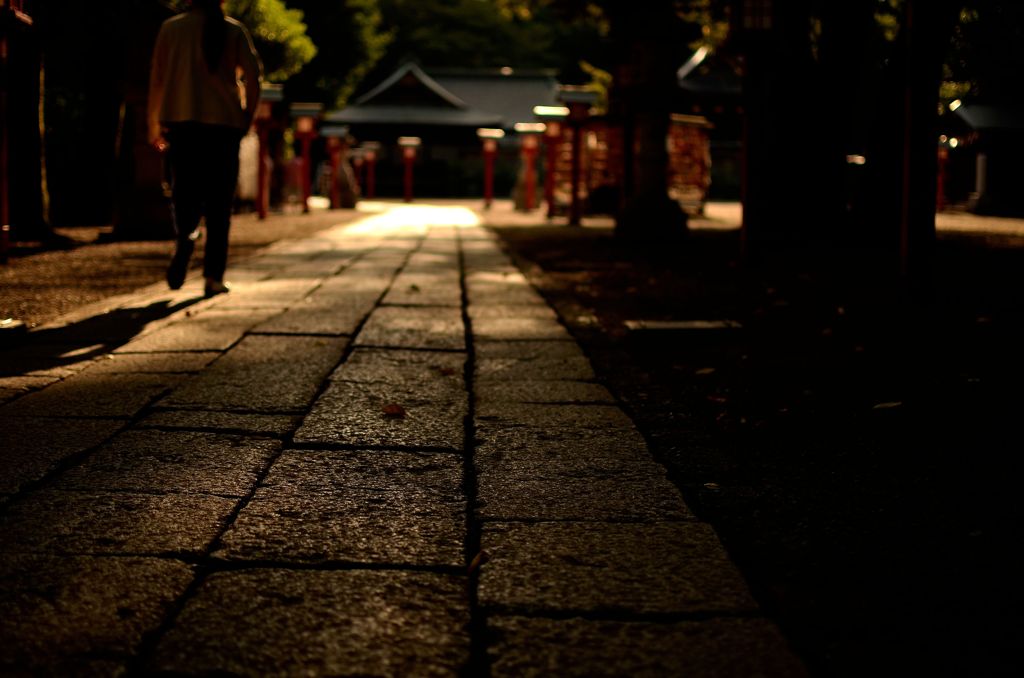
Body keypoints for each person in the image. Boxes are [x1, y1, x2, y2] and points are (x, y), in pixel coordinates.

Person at [147, 0, 262, 297]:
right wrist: (246, 116)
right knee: (220, 204)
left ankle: (186, 236)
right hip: (224, 125)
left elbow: (157, 78)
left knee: (184, 191)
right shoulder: (233, 30)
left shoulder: (171, 29)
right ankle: (213, 277)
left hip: (181, 123)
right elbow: (253, 75)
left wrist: (153, 123)